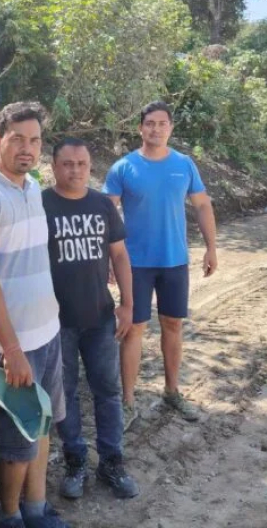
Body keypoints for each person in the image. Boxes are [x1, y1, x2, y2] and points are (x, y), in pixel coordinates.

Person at [0, 101, 70, 528]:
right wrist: (12, 350)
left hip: (46, 334)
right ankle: (10, 516)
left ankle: (37, 509)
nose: (27, 149)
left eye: (35, 141)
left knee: (43, 427)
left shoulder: (32, 187)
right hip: (10, 345)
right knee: (17, 443)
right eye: (18, 139)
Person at [103, 101, 218, 426]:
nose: (155, 129)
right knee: (133, 329)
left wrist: (211, 248)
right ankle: (127, 401)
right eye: (149, 123)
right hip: (134, 264)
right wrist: (108, 259)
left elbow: (203, 206)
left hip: (174, 262)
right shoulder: (123, 167)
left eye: (162, 123)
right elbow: (107, 215)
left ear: (171, 128)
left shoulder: (184, 164)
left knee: (173, 325)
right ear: (140, 128)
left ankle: (172, 391)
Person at [42, 137, 140, 501]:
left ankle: (112, 462)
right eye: (67, 164)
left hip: (99, 317)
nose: (75, 170)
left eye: (82, 164)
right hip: (55, 321)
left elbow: (120, 257)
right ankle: (75, 462)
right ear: (53, 166)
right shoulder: (40, 204)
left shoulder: (101, 205)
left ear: (90, 166)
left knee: (108, 392)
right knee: (63, 395)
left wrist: (128, 305)